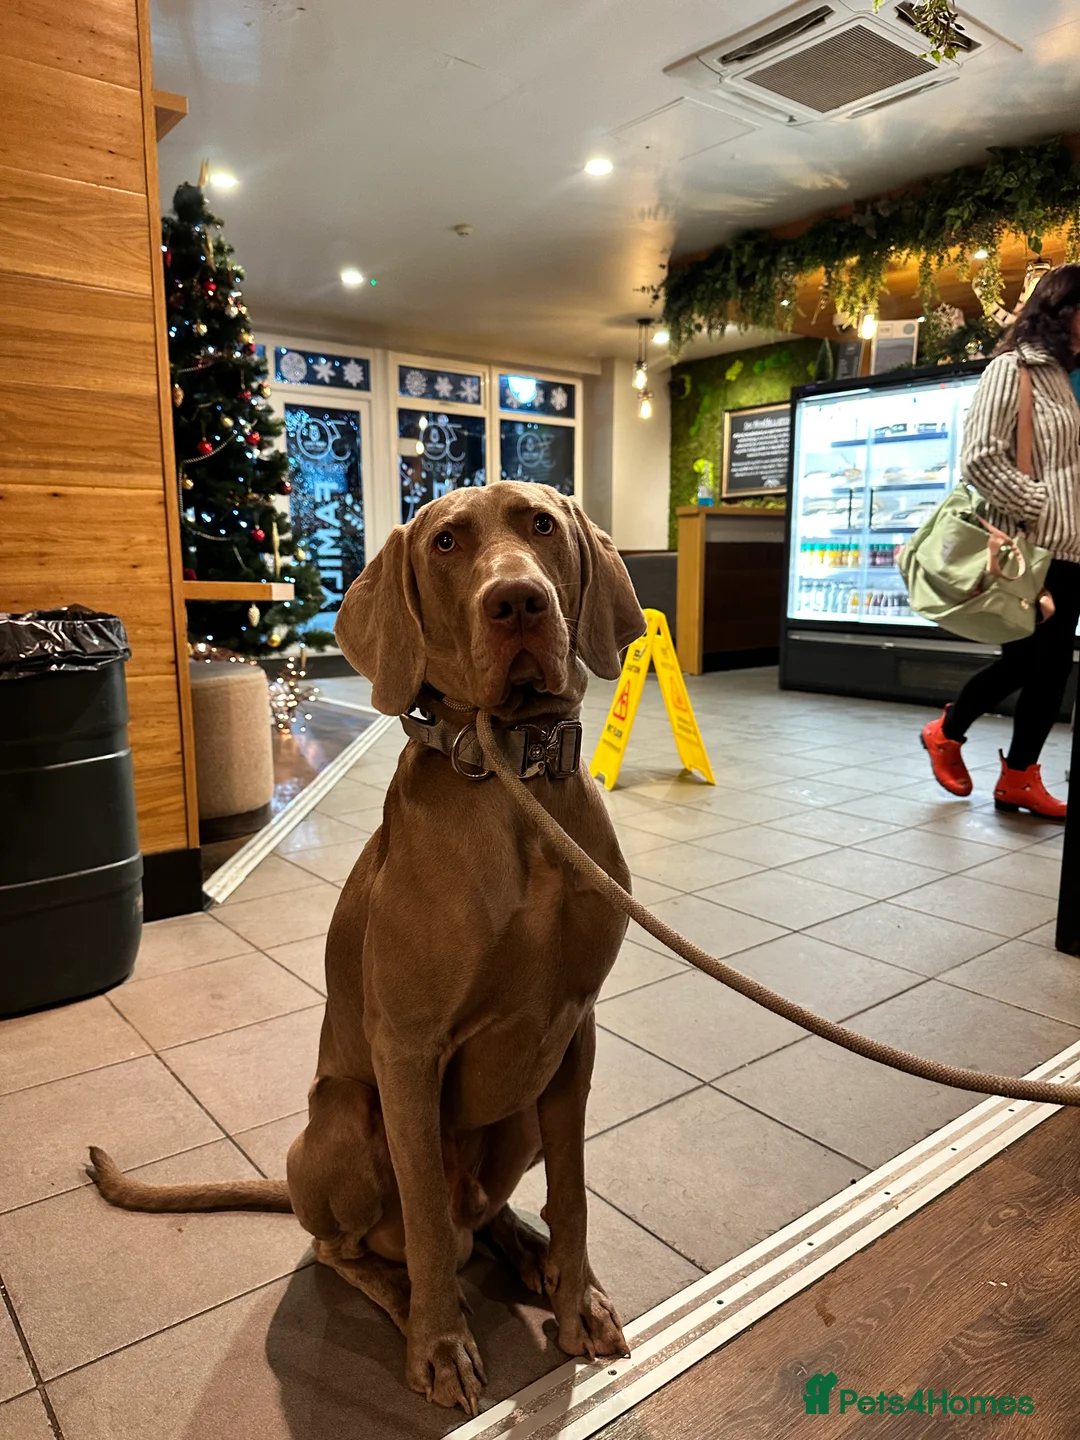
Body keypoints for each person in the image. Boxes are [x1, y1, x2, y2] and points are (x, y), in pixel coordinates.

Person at [922, 264, 1080, 819]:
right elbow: (981, 456)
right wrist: (1039, 506)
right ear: (1064, 309)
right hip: (1032, 547)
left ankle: (1014, 774)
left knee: (1049, 666)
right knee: (1029, 662)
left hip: (1071, 550)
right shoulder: (1014, 370)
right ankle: (953, 733)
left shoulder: (1066, 376)